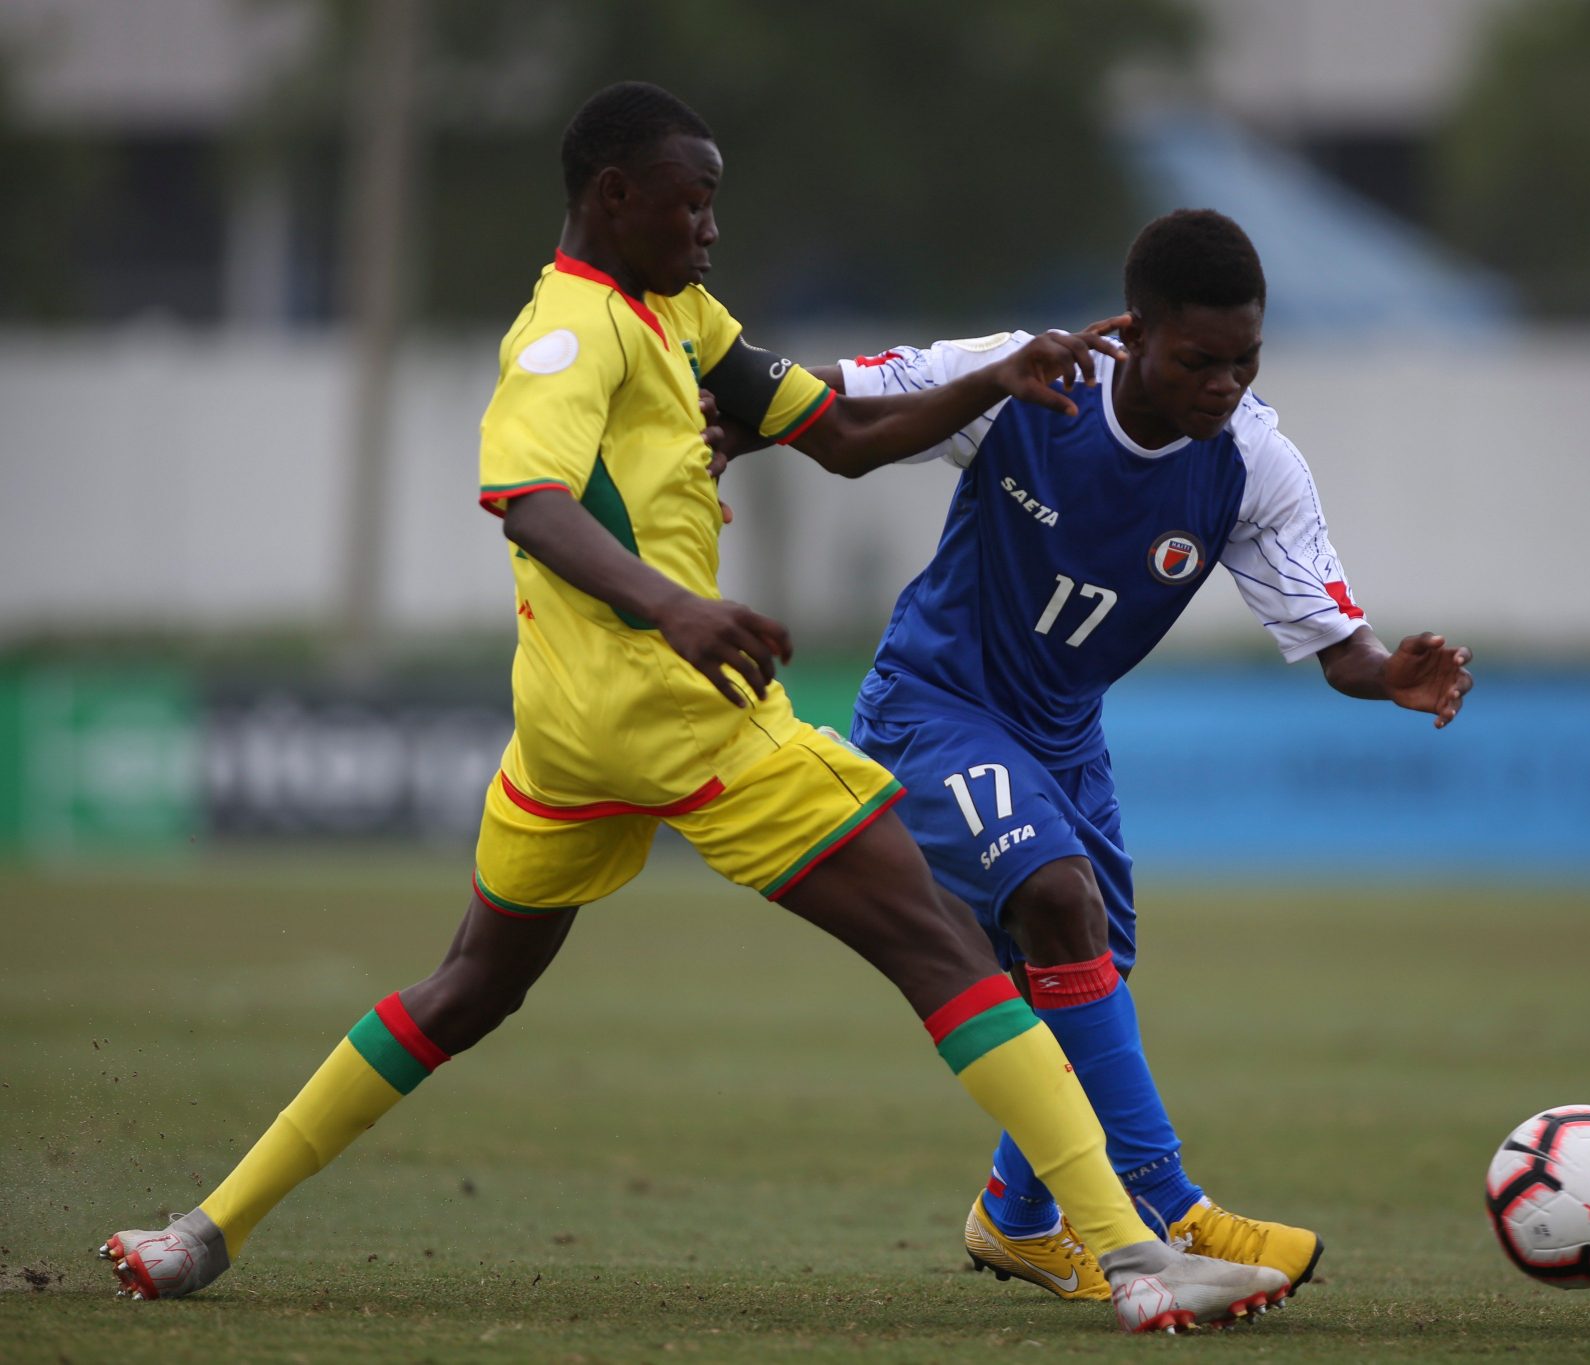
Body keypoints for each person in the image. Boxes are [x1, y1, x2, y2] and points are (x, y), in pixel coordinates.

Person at [97, 84, 1288, 1335]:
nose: (710, 228)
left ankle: (201, 1233)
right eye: (693, 202)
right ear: (615, 196)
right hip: (683, 718)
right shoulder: (567, 334)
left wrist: (997, 378)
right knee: (944, 951)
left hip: (564, 740)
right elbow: (529, 499)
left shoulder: (673, 311)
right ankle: (1130, 1255)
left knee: (464, 991)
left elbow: (843, 435)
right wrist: (677, 610)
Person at [791, 208, 1474, 1302]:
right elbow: (830, 395)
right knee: (1057, 904)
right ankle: (1173, 1204)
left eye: (1245, 361)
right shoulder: (1030, 380)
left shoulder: (1254, 462)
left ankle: (1015, 1220)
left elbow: (1335, 643)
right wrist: (722, 408)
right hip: (933, 706)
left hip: (1065, 737)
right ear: (1136, 334)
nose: (1224, 385)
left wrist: (1388, 672)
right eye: (1199, 361)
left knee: (1083, 976)